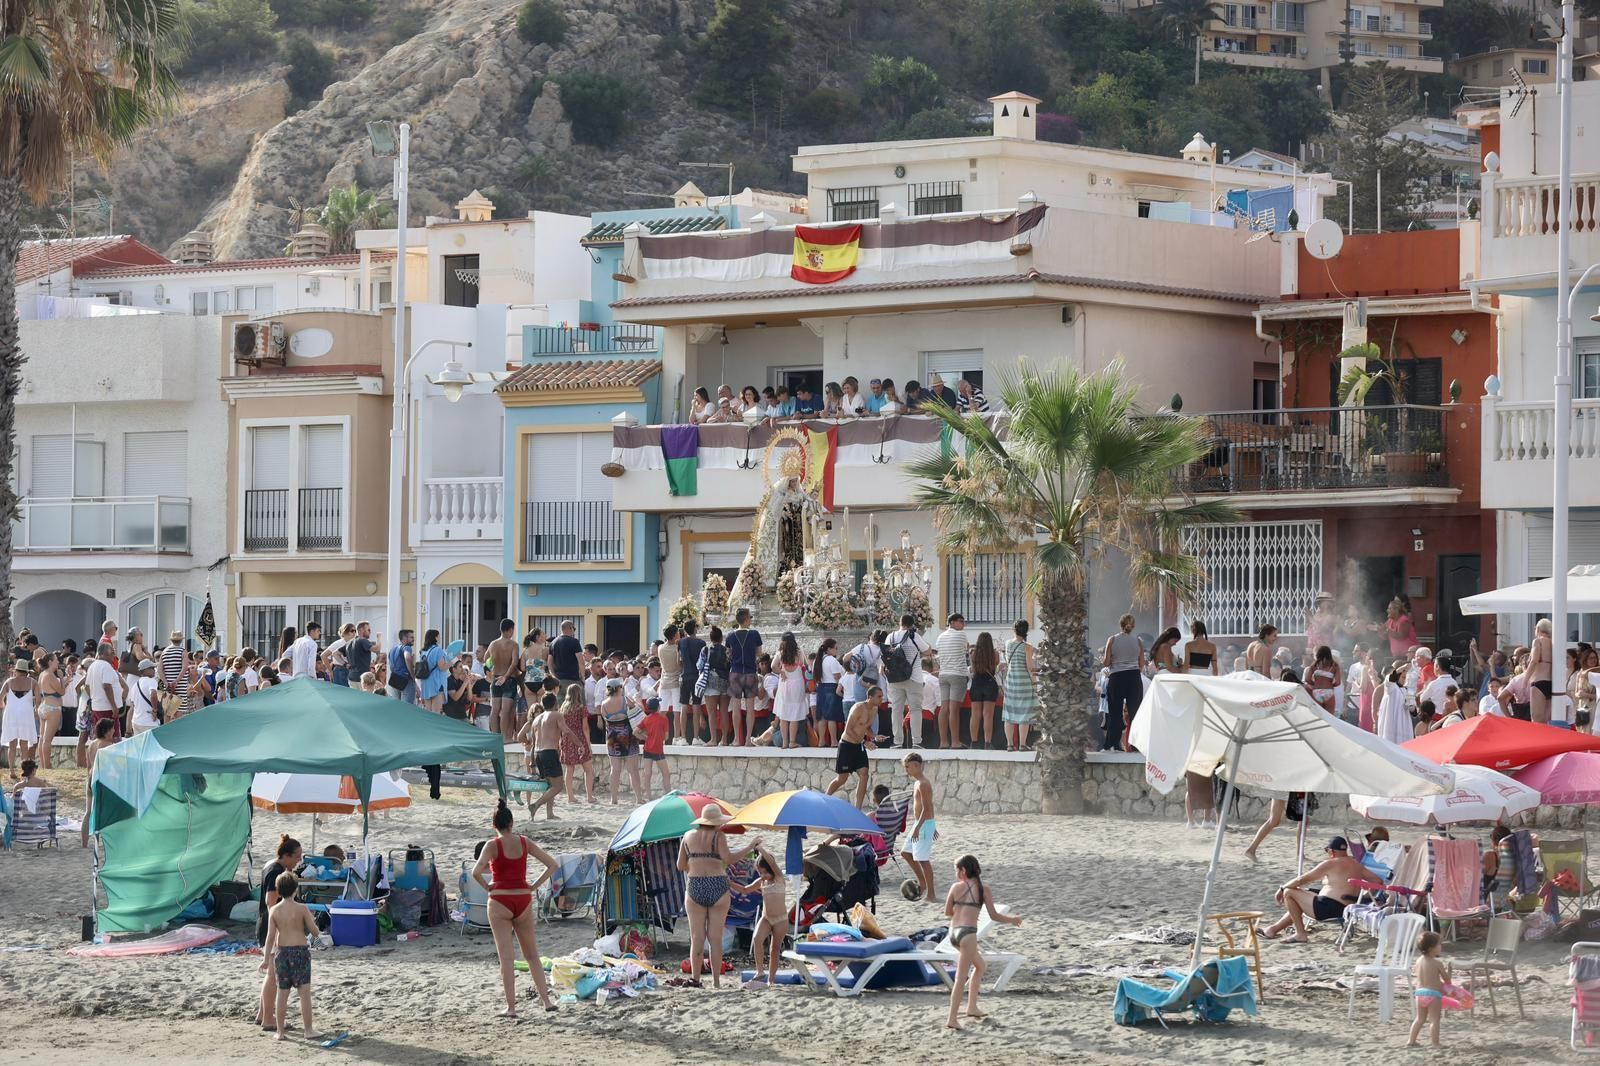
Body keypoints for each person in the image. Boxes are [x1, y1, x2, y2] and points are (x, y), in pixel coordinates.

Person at [471, 801, 558, 1018]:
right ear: (511, 822)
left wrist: (488, 886)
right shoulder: (524, 842)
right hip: (523, 899)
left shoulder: (492, 845)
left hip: (500, 900)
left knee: (507, 958)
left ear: (494, 825)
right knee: (532, 955)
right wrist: (533, 886)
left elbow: (476, 871)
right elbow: (552, 864)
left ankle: (511, 1007)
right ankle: (546, 1001)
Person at [675, 806, 758, 988]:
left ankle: (696, 979)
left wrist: (695, 867)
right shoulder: (719, 836)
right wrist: (749, 847)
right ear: (717, 823)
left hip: (695, 885)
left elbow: (680, 865)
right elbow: (728, 858)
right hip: (718, 885)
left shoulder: (687, 837)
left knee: (696, 938)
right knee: (715, 939)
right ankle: (716, 982)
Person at [944, 854, 1024, 1031]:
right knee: (959, 978)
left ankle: (972, 1007)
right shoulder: (983, 889)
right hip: (968, 934)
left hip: (953, 933)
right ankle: (952, 1018)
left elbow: (947, 912)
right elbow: (994, 915)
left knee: (980, 966)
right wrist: (1012, 920)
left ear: (963, 870)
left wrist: (961, 908)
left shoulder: (955, 888)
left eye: (956, 870)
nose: (956, 874)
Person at [1261, 836, 1369, 942]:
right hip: (1346, 909)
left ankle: (1300, 934)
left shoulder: (1331, 863)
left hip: (1327, 909)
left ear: (1331, 851)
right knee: (1303, 894)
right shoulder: (1357, 865)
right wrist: (1362, 897)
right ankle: (1272, 930)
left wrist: (1282, 888)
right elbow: (1378, 881)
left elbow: (1303, 879)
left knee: (1289, 892)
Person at [259, 872, 320, 1041]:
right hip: (300, 952)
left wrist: (265, 960)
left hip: (282, 953)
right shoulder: (302, 908)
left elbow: (270, 937)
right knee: (304, 993)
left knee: (282, 993)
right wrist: (313, 923)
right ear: (296, 890)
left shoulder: (274, 910)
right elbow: (315, 932)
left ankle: (280, 1032)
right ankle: (308, 1030)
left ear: (278, 890)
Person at [256, 834, 303, 1029]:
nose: (299, 860)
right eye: (297, 856)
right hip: (271, 928)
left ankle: (262, 1015)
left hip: (267, 926)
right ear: (286, 855)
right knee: (273, 977)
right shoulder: (276, 871)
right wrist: (277, 931)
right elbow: (270, 902)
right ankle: (268, 1019)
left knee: (272, 976)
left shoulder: (272, 865)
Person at [735, 849, 789, 989]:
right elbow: (746, 890)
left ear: (771, 870)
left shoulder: (778, 877)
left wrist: (761, 849)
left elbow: (770, 861)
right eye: (760, 873)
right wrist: (728, 882)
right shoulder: (761, 882)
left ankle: (771, 980)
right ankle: (760, 971)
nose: (763, 875)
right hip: (766, 917)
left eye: (765, 872)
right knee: (756, 939)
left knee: (774, 949)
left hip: (781, 919)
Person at [826, 685, 883, 809]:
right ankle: (825, 799)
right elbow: (849, 729)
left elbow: (865, 727)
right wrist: (865, 742)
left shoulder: (874, 709)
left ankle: (857, 808)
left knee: (864, 774)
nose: (881, 699)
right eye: (879, 696)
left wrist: (874, 736)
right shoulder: (858, 708)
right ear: (870, 697)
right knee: (841, 779)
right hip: (847, 745)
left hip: (859, 746)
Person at [885, 614, 932, 749]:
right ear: (912, 625)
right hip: (913, 676)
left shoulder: (891, 636)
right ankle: (916, 741)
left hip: (894, 678)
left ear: (900, 623)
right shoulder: (914, 636)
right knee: (915, 709)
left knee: (896, 709)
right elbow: (927, 651)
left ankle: (898, 741)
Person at [1101, 615, 1144, 753]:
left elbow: (1106, 662)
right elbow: (1141, 664)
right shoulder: (1138, 641)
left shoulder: (1112, 640)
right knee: (1135, 712)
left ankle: (1112, 744)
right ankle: (1137, 745)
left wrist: (1114, 659)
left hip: (1117, 677)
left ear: (1120, 625)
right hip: (1134, 677)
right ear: (1133, 626)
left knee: (1115, 712)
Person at [520, 693, 566, 820]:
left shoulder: (537, 720)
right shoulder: (551, 716)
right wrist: (579, 743)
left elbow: (533, 743)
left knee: (550, 786)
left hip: (539, 753)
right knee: (557, 786)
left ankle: (549, 813)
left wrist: (533, 762)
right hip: (547, 752)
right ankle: (535, 805)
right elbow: (566, 731)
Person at [599, 677, 645, 804]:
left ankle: (613, 799)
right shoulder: (624, 700)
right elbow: (638, 709)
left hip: (612, 738)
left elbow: (607, 722)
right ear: (619, 688)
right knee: (633, 770)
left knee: (615, 770)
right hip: (629, 736)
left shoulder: (603, 704)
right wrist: (637, 700)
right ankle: (639, 798)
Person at [903, 751, 938, 901]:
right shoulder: (917, 782)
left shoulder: (923, 783)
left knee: (923, 860)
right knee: (906, 853)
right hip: (921, 823)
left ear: (917, 766)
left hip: (922, 825)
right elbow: (930, 806)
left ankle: (931, 894)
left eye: (908, 767)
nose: (907, 770)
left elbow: (926, 808)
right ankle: (922, 882)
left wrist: (920, 827)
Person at [1002, 620, 1041, 752]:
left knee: (1009, 714)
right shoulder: (1027, 647)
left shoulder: (1007, 644)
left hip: (1011, 682)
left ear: (1014, 630)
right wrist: (1035, 683)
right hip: (1024, 683)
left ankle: (1009, 744)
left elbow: (1008, 662)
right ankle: (1023, 744)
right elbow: (1030, 667)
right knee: (1024, 714)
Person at [726, 609, 763, 746]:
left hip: (735, 672)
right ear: (746, 619)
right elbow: (759, 653)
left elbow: (728, 654)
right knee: (750, 707)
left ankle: (736, 738)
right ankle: (748, 738)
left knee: (736, 707)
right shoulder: (754, 634)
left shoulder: (730, 635)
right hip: (750, 672)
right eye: (750, 618)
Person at [555, 683, 596, 805]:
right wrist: (588, 744)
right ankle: (589, 796)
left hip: (567, 739)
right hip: (580, 739)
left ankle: (570, 797)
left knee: (569, 769)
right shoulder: (581, 708)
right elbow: (585, 728)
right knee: (588, 770)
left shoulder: (563, 708)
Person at [934, 613, 970, 750]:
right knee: (954, 710)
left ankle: (943, 742)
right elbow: (966, 648)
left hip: (943, 674)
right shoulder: (961, 635)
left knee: (944, 709)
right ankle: (955, 742)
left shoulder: (940, 636)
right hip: (958, 674)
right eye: (961, 621)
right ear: (952, 622)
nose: (963, 624)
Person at [487, 619, 524, 748]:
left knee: (495, 709)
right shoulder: (513, 644)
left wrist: (490, 674)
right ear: (510, 630)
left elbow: (486, 660)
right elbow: (514, 663)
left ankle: (494, 737)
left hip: (496, 678)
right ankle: (504, 738)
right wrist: (506, 676)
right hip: (508, 679)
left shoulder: (493, 644)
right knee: (505, 711)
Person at [1409, 931, 1448, 1047]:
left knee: (1419, 1019)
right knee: (1434, 1020)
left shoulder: (1418, 961)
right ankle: (1435, 1043)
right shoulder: (1437, 963)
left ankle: (1411, 1041)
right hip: (1433, 995)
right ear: (1432, 948)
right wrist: (1448, 972)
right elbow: (1447, 981)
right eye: (1439, 944)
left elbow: (1425, 977)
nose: (1441, 946)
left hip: (1420, 993)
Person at [773, 632, 810, 749]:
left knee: (783, 714)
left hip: (784, 684)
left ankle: (784, 743)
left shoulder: (780, 653)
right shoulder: (799, 652)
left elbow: (773, 666)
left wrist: (781, 672)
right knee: (795, 715)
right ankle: (792, 741)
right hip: (797, 684)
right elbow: (805, 665)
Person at [3, 660, 37, 777]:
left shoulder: (9, 682)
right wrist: (34, 708)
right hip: (26, 714)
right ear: (26, 671)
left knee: (12, 744)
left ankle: (12, 770)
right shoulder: (33, 682)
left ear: (16, 670)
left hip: (11, 714)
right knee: (24, 744)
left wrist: (4, 706)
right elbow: (39, 700)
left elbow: (0, 698)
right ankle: (25, 771)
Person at [811, 637, 846, 747]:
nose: (836, 650)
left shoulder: (817, 660)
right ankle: (833, 741)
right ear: (829, 649)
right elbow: (837, 676)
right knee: (831, 717)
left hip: (821, 688)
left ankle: (821, 741)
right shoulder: (831, 660)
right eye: (835, 648)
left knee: (822, 716)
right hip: (832, 687)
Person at [968, 632, 1000, 751]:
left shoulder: (974, 654)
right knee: (988, 715)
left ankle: (974, 742)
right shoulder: (995, 654)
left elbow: (973, 668)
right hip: (989, 683)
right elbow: (995, 666)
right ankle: (987, 742)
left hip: (976, 683)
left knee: (975, 714)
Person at [677, 620, 707, 744]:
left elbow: (679, 660)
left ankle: (683, 737)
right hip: (697, 676)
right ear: (695, 629)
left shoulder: (681, 642)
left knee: (684, 706)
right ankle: (696, 737)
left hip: (685, 676)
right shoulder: (701, 643)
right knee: (696, 706)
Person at [638, 696, 673, 799]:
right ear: (658, 707)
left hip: (647, 748)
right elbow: (666, 737)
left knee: (648, 773)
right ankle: (668, 795)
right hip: (658, 749)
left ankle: (648, 796)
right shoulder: (664, 719)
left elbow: (636, 731)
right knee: (666, 774)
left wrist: (645, 738)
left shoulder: (646, 719)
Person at [32, 653, 61, 770]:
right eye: (56, 660)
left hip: (43, 706)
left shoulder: (42, 674)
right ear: (50, 661)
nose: (58, 662)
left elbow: (40, 692)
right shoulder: (50, 675)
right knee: (47, 739)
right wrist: (62, 678)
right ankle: (47, 765)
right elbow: (61, 691)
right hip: (52, 707)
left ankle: (44, 765)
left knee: (43, 738)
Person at [1377, 662, 1413, 745]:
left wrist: (1412, 708)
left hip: (1404, 724)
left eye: (1405, 677)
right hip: (1392, 723)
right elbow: (1391, 678)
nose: (1405, 680)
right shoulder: (1391, 687)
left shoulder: (1408, 690)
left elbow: (1414, 711)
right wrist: (1403, 667)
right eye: (1403, 677)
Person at [1529, 618, 1555, 725]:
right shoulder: (1554, 643)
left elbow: (1534, 661)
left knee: (1536, 721)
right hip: (1551, 683)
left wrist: (1525, 679)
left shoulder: (1538, 641)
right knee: (1546, 721)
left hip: (1538, 682)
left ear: (1538, 629)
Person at [416, 629, 448, 712]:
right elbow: (442, 667)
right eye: (439, 636)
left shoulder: (423, 651)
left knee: (428, 713)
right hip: (437, 684)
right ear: (435, 637)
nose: (440, 637)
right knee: (435, 714)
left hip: (426, 684)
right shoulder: (438, 650)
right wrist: (452, 661)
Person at [127, 659, 162, 734]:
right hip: (149, 723)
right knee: (151, 745)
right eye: (152, 668)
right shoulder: (151, 681)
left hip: (136, 722)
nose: (154, 670)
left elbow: (132, 706)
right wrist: (155, 710)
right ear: (145, 670)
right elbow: (153, 695)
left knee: (140, 745)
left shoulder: (135, 685)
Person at [1309, 645, 1341, 715]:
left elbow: (1308, 680)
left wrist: (1315, 684)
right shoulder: (1335, 666)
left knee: (1319, 716)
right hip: (1329, 692)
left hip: (1316, 692)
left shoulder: (1313, 666)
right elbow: (1338, 682)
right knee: (1330, 717)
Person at [387, 629, 417, 703]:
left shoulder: (392, 649)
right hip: (406, 680)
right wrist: (413, 675)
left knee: (396, 706)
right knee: (407, 707)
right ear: (404, 638)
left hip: (394, 679)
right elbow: (407, 657)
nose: (413, 639)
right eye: (411, 637)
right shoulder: (407, 647)